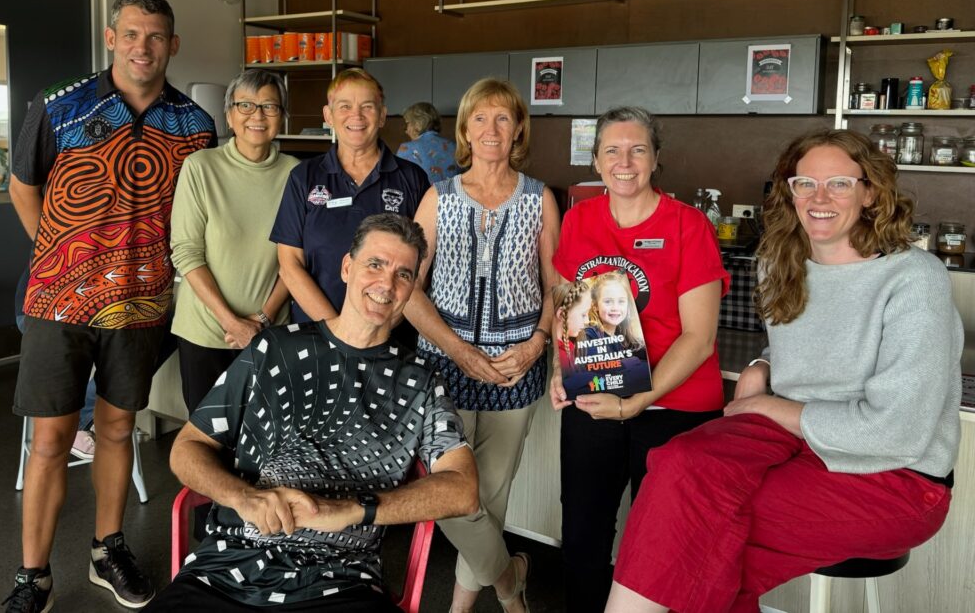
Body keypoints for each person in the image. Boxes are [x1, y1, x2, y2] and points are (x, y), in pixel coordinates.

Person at [605, 129, 962, 613]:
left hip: (895, 475)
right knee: (675, 465)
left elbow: (898, 431)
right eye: (804, 184)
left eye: (838, 183)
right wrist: (762, 363)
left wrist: (767, 404)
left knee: (703, 527)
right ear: (789, 191)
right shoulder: (782, 262)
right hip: (792, 438)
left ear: (870, 191)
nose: (819, 198)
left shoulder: (914, 279)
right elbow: (814, 345)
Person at [148, 214, 479, 612]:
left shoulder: (422, 382)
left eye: (404, 274)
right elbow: (188, 446)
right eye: (375, 264)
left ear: (412, 289)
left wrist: (353, 509)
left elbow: (463, 488)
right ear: (346, 267)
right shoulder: (273, 349)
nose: (386, 284)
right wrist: (244, 497)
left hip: (341, 580)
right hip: (227, 567)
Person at [5, 0, 216, 612]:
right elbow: (23, 186)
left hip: (144, 305)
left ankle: (107, 549)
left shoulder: (195, 127)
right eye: (131, 34)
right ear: (110, 37)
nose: (142, 47)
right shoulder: (59, 105)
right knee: (51, 439)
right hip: (59, 303)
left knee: (119, 429)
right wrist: (61, 258)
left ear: (172, 45)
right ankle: (33, 576)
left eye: (155, 36)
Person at [549, 106, 728, 613]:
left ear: (656, 159)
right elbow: (566, 305)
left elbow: (699, 338)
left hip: (675, 410)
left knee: (668, 549)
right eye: (612, 150)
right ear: (597, 160)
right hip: (595, 403)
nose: (624, 161)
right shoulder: (580, 218)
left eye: (637, 149)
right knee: (582, 539)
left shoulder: (688, 226)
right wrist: (560, 373)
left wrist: (638, 402)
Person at [404, 78, 561, 613]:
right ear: (465, 129)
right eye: (479, 118)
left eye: (502, 118)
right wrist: (460, 351)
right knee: (452, 500)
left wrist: (538, 343)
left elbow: (557, 286)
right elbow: (409, 291)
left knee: (489, 499)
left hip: (517, 373)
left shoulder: (541, 199)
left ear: (518, 128)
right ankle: (510, 583)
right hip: (443, 371)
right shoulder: (438, 197)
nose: (491, 129)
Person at [170, 70, 298, 412]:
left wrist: (263, 320)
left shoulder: (296, 175)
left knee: (263, 443)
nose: (257, 116)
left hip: (270, 333)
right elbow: (186, 252)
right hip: (205, 332)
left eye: (270, 107)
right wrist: (231, 322)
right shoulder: (200, 167)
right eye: (246, 105)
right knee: (207, 446)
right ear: (228, 115)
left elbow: (296, 260)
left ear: (282, 116)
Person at [271, 68, 428, 326]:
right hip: (317, 333)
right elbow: (290, 265)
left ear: (382, 116)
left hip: (389, 333)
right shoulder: (303, 177)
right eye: (344, 106)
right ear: (328, 116)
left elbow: (420, 269)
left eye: (367, 106)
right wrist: (337, 328)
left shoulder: (412, 179)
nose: (356, 115)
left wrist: (380, 327)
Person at [396, 100, 461, 184]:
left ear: (417, 123)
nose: (406, 130)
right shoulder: (455, 146)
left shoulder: (406, 148)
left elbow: (399, 184)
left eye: (408, 123)